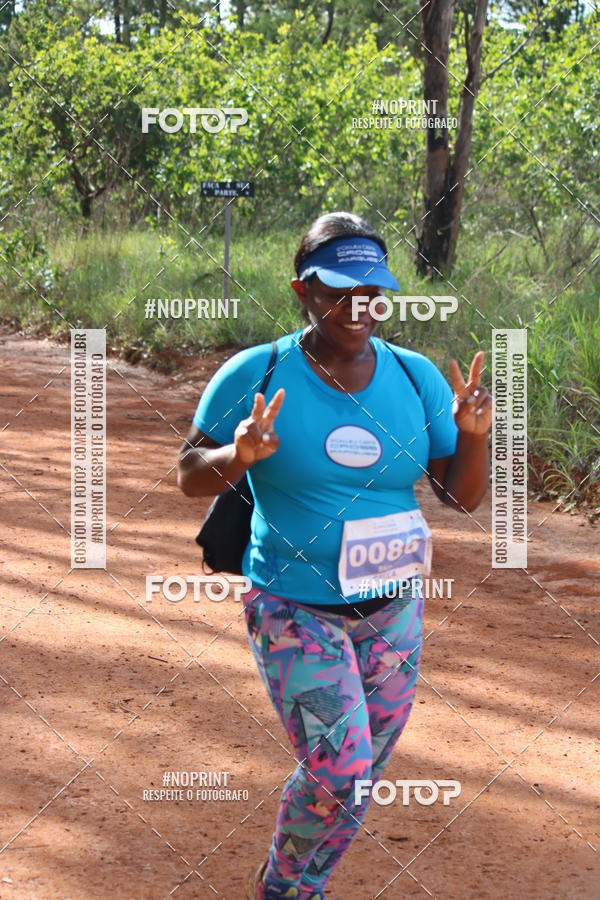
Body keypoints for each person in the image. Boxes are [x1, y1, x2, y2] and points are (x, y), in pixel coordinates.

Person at [177, 211, 492, 899]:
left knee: (359, 775)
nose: (357, 306)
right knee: (339, 768)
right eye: (337, 290)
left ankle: (295, 883)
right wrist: (240, 454)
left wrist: (472, 435)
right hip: (294, 607)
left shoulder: (413, 377)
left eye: (371, 292)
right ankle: (286, 891)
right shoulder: (256, 371)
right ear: (303, 291)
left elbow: (460, 496)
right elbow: (188, 473)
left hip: (393, 610)